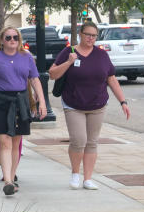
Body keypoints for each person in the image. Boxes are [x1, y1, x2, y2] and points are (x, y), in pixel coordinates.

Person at [48, 21, 130, 190]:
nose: (91, 38)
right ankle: (75, 174)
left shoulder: (101, 55)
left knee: (92, 142)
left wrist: (123, 102)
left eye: (94, 36)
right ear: (80, 34)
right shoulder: (68, 52)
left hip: (97, 104)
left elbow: (111, 78)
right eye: (88, 35)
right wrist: (69, 62)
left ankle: (88, 179)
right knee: (79, 140)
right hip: (73, 103)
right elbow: (52, 74)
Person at [0, 26, 47, 196]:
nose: (12, 40)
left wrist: (42, 102)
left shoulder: (27, 57)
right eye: (8, 37)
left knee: (16, 142)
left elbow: (35, 80)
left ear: (19, 39)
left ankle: (11, 177)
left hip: (20, 101)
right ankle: (7, 180)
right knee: (5, 142)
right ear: (1, 40)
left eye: (15, 37)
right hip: (0, 102)